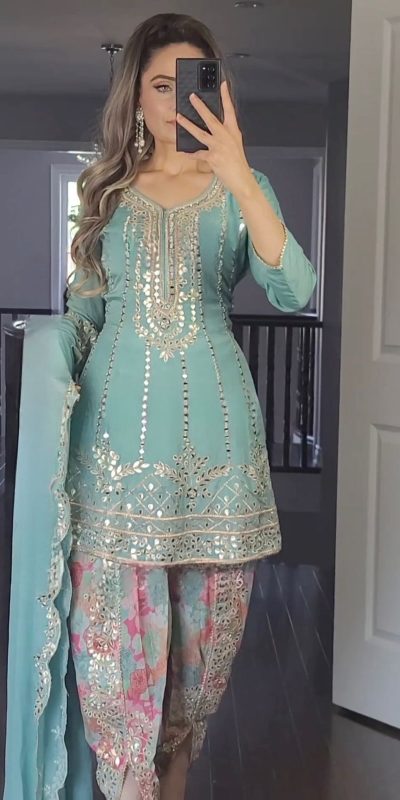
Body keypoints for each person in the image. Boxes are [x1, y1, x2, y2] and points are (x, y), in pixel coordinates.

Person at [3, 12, 317, 800]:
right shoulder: (104, 191)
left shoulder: (245, 191)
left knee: (193, 689)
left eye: (194, 83)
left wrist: (238, 171)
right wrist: (43, 354)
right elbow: (86, 313)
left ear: (220, 91)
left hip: (220, 465)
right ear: (137, 97)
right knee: (114, 683)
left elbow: (296, 289)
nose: (178, 99)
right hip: (112, 462)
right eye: (160, 84)